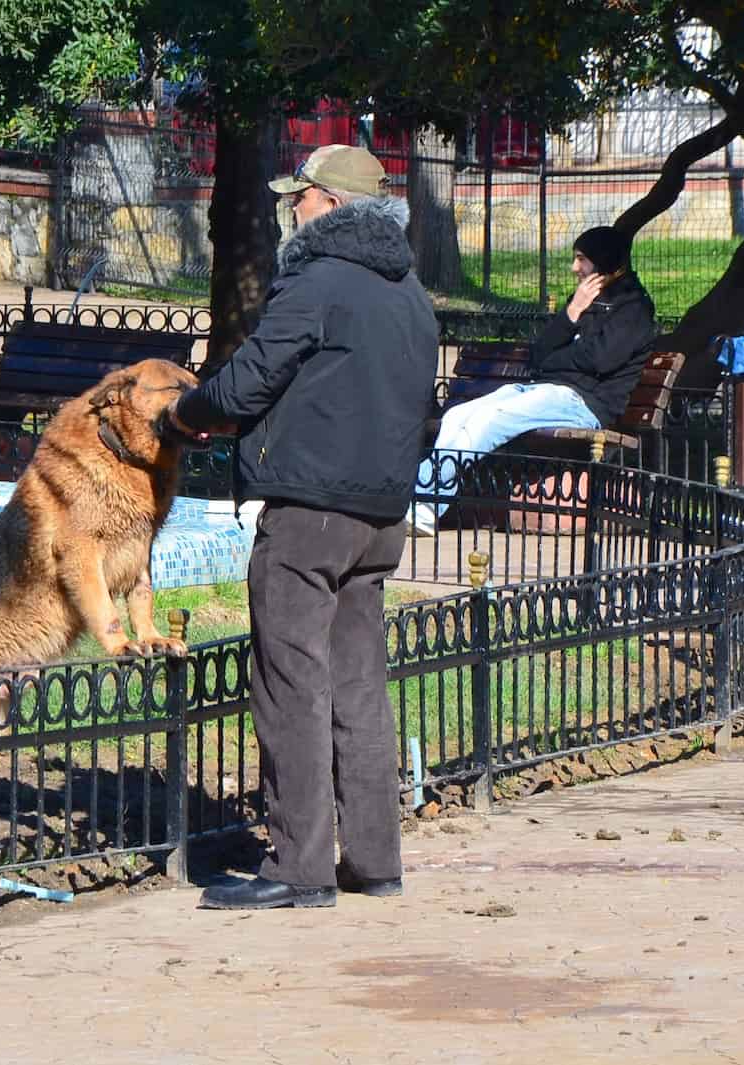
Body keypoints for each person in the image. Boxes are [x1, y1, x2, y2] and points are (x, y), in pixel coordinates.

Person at [168, 144, 439, 910]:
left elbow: (252, 377)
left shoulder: (316, 280)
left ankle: (299, 864)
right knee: (359, 683)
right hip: (380, 513)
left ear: (328, 203)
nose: (290, 209)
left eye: (300, 197)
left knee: (289, 682)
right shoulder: (411, 292)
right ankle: (376, 861)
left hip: (308, 511)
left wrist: (186, 413)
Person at [407, 226, 657, 534]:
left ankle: (425, 508)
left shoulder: (633, 309)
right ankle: (420, 498)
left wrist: (559, 361)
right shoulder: (584, 299)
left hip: (583, 404)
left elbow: (598, 361)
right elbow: (539, 355)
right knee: (458, 414)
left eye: (581, 259)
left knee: (490, 417)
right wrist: (573, 311)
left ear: (602, 260)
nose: (574, 267)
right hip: (549, 390)